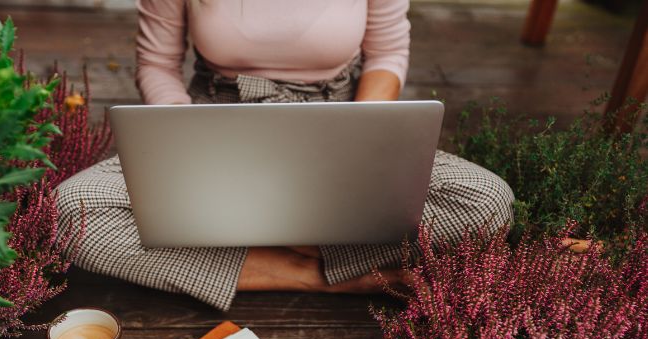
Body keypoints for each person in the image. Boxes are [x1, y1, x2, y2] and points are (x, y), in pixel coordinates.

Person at [56, 0, 514, 311]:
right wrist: (185, 136)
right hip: (218, 119)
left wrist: (357, 142)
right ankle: (320, 274)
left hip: (341, 118)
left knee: (488, 201)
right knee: (67, 215)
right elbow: (157, 65)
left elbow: (386, 55)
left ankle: (245, 231)